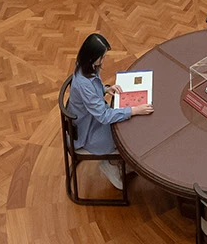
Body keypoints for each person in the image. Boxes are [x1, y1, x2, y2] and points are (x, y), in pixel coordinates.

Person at [65, 33, 152, 190]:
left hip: (92, 118)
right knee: (124, 138)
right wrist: (133, 110)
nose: (103, 60)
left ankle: (121, 162)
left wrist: (106, 89)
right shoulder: (84, 83)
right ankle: (111, 163)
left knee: (126, 126)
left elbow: (93, 93)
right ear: (92, 57)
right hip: (89, 130)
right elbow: (103, 116)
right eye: (102, 57)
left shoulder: (86, 67)